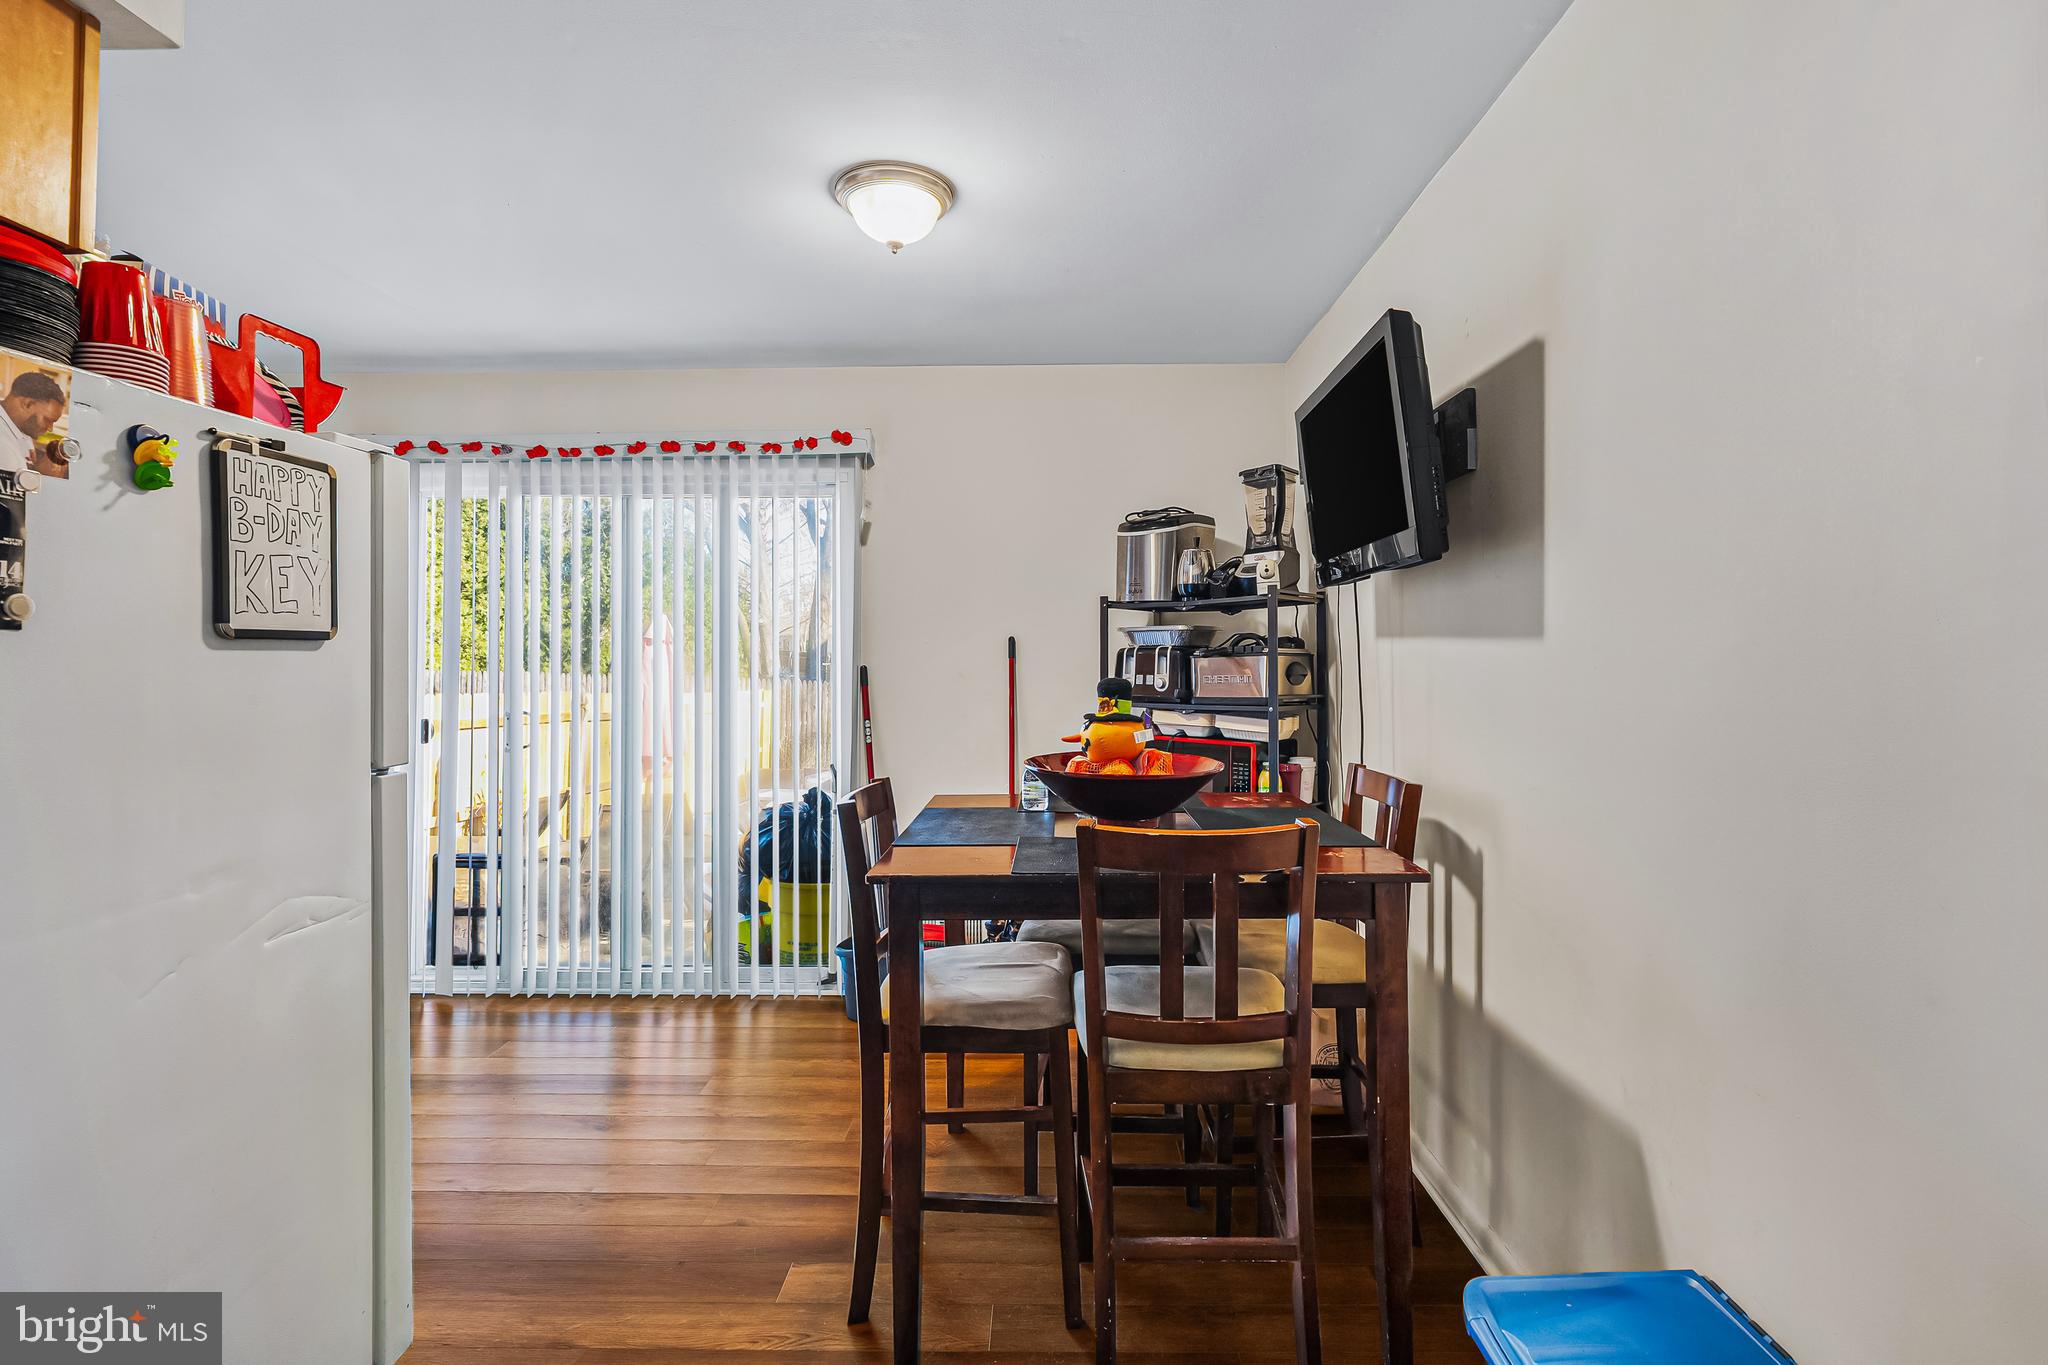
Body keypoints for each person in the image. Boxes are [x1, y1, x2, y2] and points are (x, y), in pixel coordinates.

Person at [1, 372, 67, 475]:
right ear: (28, 404)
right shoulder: (4, 446)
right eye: (47, 420)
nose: (50, 428)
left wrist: (39, 467)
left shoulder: (20, 427)